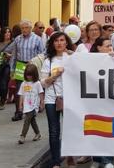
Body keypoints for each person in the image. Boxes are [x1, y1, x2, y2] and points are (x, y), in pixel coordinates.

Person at [41, 32, 75, 168]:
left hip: (71, 99)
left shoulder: (73, 58)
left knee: (70, 129)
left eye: (62, 40)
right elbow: (43, 83)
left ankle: (70, 157)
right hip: (51, 99)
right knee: (54, 131)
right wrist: (54, 76)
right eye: (56, 41)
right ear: (52, 44)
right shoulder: (48, 61)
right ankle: (56, 161)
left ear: (66, 42)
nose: (59, 43)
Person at [7, 20, 45, 121]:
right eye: (22, 28)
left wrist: (37, 63)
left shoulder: (37, 39)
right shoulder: (17, 39)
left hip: (32, 66)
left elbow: (42, 54)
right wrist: (12, 69)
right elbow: (14, 55)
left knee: (33, 89)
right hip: (20, 65)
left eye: (26, 28)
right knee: (19, 89)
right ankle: (18, 112)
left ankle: (32, 109)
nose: (24, 30)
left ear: (31, 28)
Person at [88, 37, 114, 168]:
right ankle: (97, 159)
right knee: (95, 130)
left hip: (109, 101)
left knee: (108, 130)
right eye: (107, 46)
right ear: (99, 48)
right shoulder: (88, 60)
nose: (110, 48)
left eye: (111, 45)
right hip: (94, 101)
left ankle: (108, 160)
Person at [17, 63, 43, 144]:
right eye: (27, 75)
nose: (29, 77)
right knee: (32, 121)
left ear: (34, 75)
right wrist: (20, 105)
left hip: (34, 106)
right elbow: (21, 95)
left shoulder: (37, 83)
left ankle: (22, 136)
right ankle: (38, 133)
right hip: (26, 106)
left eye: (31, 75)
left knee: (27, 120)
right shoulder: (23, 83)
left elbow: (41, 93)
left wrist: (42, 103)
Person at [0, 27, 14, 110]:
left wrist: (9, 56)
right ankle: (2, 97)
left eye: (9, 32)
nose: (8, 34)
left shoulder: (13, 43)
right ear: (3, 34)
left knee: (4, 82)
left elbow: (16, 54)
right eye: (6, 32)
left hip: (7, 65)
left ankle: (2, 99)